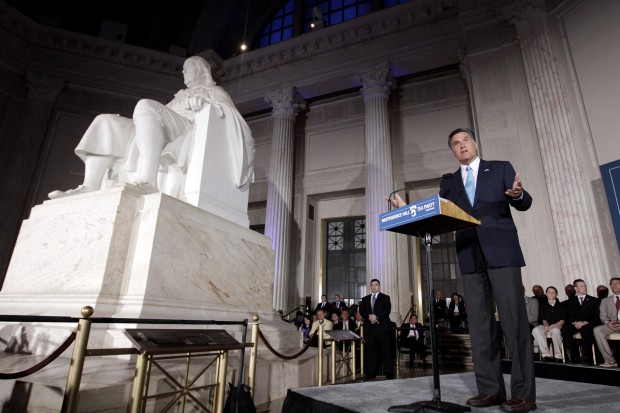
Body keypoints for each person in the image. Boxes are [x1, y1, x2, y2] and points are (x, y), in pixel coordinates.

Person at [390, 128, 535, 412]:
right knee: (480, 327)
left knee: (514, 322)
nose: (462, 145)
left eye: (465, 140)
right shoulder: (449, 182)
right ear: (453, 151)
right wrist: (408, 210)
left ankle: (523, 394)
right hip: (469, 254)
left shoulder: (501, 168)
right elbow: (440, 210)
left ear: (475, 143)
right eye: (456, 144)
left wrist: (517, 194)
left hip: (502, 251)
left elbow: (524, 202)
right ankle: (490, 390)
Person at [49, 56, 254, 198]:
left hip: (188, 128)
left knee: (145, 105)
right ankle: (89, 186)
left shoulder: (214, 91)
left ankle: (148, 180)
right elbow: (153, 119)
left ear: (201, 70)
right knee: (106, 121)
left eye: (187, 67)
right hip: (162, 126)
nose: (183, 71)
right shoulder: (177, 96)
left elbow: (233, 119)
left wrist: (207, 104)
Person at [359, 278, 394, 380]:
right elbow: (362, 311)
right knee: (371, 352)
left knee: (386, 352)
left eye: (376, 285)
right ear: (370, 286)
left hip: (383, 330)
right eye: (372, 285)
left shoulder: (385, 298)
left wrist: (376, 317)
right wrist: (369, 317)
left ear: (379, 286)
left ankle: (389, 373)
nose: (374, 287)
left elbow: (387, 311)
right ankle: (370, 373)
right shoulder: (365, 299)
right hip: (370, 330)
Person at [562, 279, 601, 365]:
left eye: (585, 285)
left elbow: (596, 316)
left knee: (585, 330)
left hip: (589, 324)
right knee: (565, 330)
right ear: (575, 288)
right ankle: (575, 356)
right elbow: (569, 316)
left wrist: (584, 322)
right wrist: (575, 322)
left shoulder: (594, 300)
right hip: (576, 324)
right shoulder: (571, 302)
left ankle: (588, 357)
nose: (584, 287)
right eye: (581, 286)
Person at [531, 286, 566, 362]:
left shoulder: (562, 306)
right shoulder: (542, 306)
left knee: (556, 331)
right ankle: (546, 355)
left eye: (553, 292)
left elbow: (562, 320)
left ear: (556, 294)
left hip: (558, 326)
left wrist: (554, 325)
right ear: (546, 294)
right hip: (546, 326)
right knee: (536, 330)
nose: (551, 293)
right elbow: (544, 319)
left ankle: (558, 356)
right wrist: (546, 325)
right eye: (549, 292)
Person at [593, 277, 620, 368]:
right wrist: (608, 323)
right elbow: (603, 315)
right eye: (612, 283)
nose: (614, 285)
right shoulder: (605, 300)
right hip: (611, 325)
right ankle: (610, 361)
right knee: (597, 330)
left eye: (617, 283)